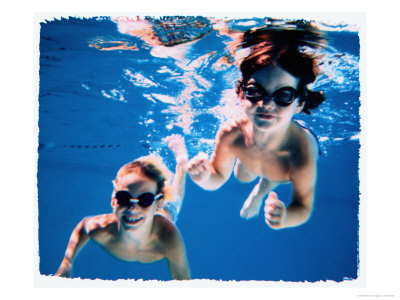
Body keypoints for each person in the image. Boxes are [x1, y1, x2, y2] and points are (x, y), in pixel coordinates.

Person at [186, 23, 326, 230]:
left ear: (300, 103)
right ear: (241, 95)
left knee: (275, 175)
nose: (267, 104)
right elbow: (217, 178)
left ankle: (261, 191)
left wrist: (285, 218)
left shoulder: (301, 153)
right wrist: (205, 177)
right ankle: (258, 178)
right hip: (256, 155)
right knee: (241, 176)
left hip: (283, 165)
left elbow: (303, 207)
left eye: (283, 96)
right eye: (255, 92)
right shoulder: (231, 134)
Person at [55, 134, 190, 280]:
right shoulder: (101, 227)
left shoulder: (168, 237)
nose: (133, 207)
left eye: (145, 199)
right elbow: (83, 226)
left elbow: (183, 282)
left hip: (166, 212)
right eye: (124, 198)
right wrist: (66, 265)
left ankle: (181, 163)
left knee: (175, 195)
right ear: (113, 199)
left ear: (157, 204)